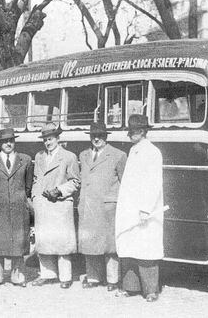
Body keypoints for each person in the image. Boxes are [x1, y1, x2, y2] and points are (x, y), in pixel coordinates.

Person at [115, 114, 164, 302]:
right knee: (129, 248)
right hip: (129, 208)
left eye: (132, 131)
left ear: (142, 132)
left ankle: (150, 290)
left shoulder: (152, 152)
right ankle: (130, 287)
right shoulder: (134, 150)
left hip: (144, 210)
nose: (129, 134)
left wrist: (146, 208)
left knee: (146, 250)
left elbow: (154, 183)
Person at [0, 128, 33, 288]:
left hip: (19, 207)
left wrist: (19, 198)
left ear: (14, 142)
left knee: (18, 242)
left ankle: (18, 277)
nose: (8, 144)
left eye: (11, 140)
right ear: (0, 143)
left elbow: (28, 186)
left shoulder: (25, 160)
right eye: (4, 141)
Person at [78, 121, 127, 291]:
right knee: (90, 242)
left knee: (109, 245)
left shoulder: (118, 155)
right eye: (93, 136)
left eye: (100, 136)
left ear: (106, 137)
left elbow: (124, 183)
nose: (96, 139)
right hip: (88, 205)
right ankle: (93, 278)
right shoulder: (83, 155)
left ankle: (113, 280)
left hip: (108, 207)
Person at [31, 122, 80, 289]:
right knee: (44, 240)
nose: (47, 142)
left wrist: (59, 191)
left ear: (58, 138)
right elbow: (36, 179)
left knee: (62, 242)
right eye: (45, 139)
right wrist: (35, 197)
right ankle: (47, 274)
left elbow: (75, 181)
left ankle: (65, 277)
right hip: (43, 204)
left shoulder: (69, 157)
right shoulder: (39, 156)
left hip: (59, 204)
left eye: (50, 139)